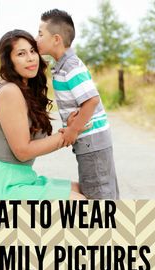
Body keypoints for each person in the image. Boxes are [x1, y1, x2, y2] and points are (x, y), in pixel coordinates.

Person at [0, 29, 84, 200]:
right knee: (78, 201)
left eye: (32, 51)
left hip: (23, 178)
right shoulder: (10, 92)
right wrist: (68, 134)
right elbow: (23, 151)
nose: (30, 58)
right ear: (9, 61)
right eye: (21, 54)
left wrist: (69, 126)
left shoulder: (25, 90)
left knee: (86, 189)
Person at [37, 9, 119, 200]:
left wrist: (73, 130)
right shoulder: (61, 66)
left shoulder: (70, 66)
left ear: (56, 39)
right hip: (89, 143)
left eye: (40, 34)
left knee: (98, 194)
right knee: (99, 189)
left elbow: (91, 100)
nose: (36, 38)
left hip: (92, 143)